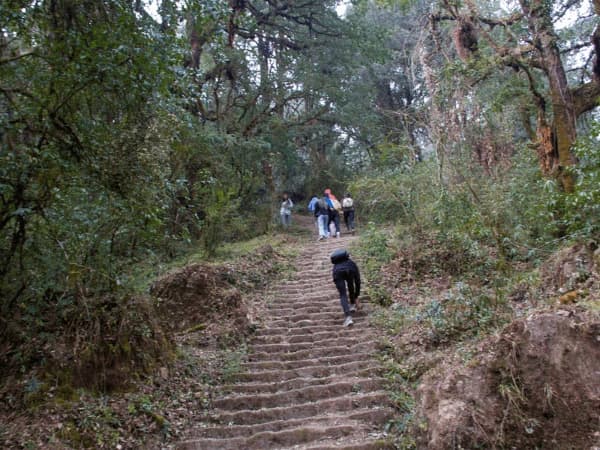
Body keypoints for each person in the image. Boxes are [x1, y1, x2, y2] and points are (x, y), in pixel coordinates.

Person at [330, 249, 361, 327]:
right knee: (351, 284)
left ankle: (348, 317)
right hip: (350, 271)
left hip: (338, 273)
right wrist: (356, 295)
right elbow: (357, 281)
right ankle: (352, 305)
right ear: (347, 256)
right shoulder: (352, 264)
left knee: (343, 294)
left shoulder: (336, 267)